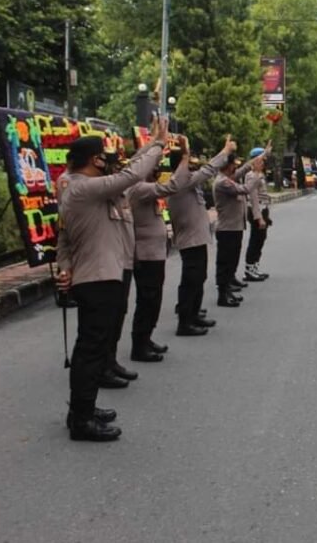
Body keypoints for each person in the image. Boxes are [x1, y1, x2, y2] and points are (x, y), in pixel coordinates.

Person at [55, 118, 167, 442]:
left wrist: (65, 268)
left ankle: (81, 409)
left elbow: (63, 239)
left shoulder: (84, 188)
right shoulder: (82, 187)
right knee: (91, 349)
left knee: (93, 347)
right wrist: (158, 144)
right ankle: (82, 420)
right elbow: (131, 174)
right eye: (104, 157)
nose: (108, 162)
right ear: (94, 160)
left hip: (102, 276)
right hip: (98, 279)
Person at [125, 135, 194, 362]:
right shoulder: (138, 188)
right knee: (147, 300)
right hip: (145, 255)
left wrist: (155, 141)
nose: (155, 168)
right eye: (152, 166)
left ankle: (146, 339)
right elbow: (172, 185)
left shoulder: (140, 186)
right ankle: (139, 345)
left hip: (154, 253)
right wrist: (184, 158)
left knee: (153, 300)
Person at [166, 137, 236, 335]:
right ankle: (185, 322)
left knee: (198, 278)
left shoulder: (188, 182)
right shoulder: (180, 182)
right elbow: (209, 169)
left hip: (197, 238)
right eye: (189, 161)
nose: (193, 164)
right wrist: (224, 150)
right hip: (190, 239)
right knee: (191, 280)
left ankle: (194, 315)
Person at [213, 150, 260, 307]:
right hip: (227, 229)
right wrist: (257, 174)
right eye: (233, 164)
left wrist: (258, 158)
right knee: (225, 263)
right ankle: (223, 293)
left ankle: (227, 290)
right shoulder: (223, 182)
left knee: (232, 261)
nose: (235, 167)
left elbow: (241, 171)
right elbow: (245, 189)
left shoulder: (227, 178)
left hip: (234, 228)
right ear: (228, 166)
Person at [243, 145, 272, 282]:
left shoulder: (259, 174)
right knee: (255, 240)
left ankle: (255, 267)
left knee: (260, 240)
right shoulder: (251, 176)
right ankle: (249, 269)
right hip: (257, 211)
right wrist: (259, 217)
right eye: (261, 160)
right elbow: (253, 197)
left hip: (262, 210)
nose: (264, 162)